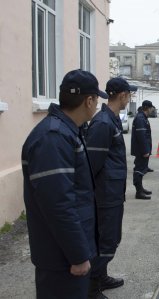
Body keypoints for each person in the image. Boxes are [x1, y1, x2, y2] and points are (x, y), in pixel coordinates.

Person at [21, 69, 107, 299]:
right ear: (88, 101)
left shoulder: (67, 132)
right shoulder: (53, 137)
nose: (97, 105)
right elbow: (58, 204)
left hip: (65, 252)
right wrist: (78, 255)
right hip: (61, 258)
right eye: (96, 100)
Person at [86, 77, 135, 298]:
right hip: (105, 195)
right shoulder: (103, 122)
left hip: (112, 192)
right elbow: (92, 164)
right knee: (107, 239)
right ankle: (91, 288)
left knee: (108, 238)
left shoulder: (111, 119)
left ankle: (101, 276)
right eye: (129, 94)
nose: (130, 98)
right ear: (123, 95)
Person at [131, 100, 154, 200]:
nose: (152, 109)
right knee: (139, 170)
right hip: (141, 150)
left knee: (141, 169)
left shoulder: (143, 117)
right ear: (147, 108)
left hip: (142, 149)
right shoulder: (140, 118)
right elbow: (141, 136)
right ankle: (138, 192)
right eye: (151, 108)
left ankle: (140, 188)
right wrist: (145, 151)